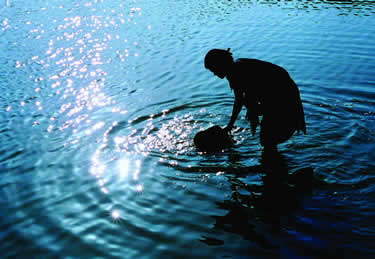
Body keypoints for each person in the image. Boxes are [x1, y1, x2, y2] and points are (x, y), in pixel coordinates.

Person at [204, 48, 306, 152]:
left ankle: (271, 164)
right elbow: (239, 99)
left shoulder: (238, 71)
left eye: (214, 70)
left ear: (221, 65)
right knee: (268, 138)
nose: (214, 74)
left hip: (282, 94)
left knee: (267, 139)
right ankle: (272, 160)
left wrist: (252, 112)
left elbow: (245, 98)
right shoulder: (234, 68)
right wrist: (230, 125)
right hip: (277, 93)